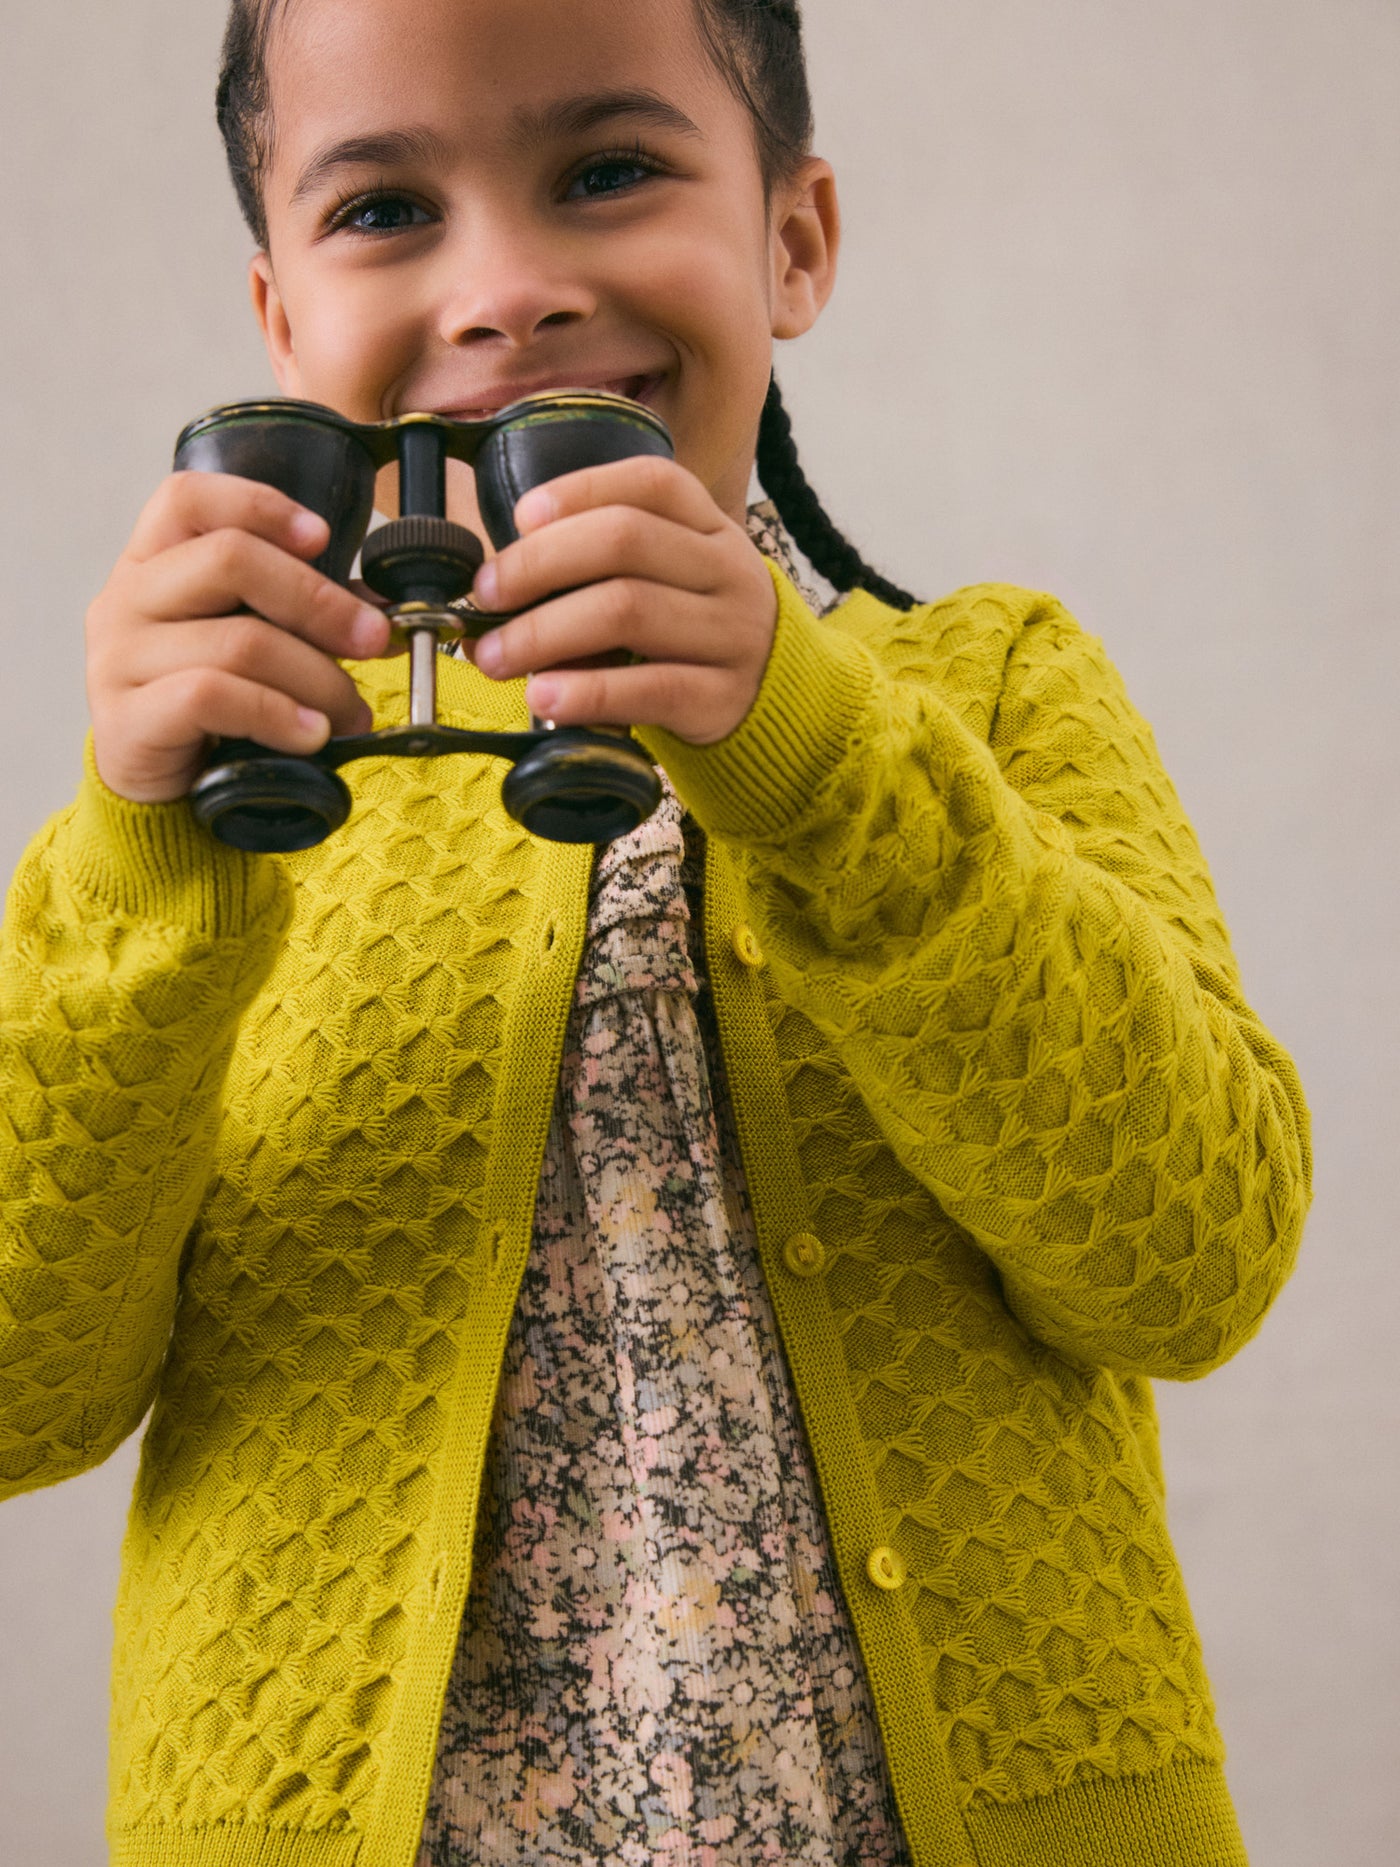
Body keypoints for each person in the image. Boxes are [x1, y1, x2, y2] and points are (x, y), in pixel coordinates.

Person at [0, 0, 1312, 1863]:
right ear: (281, 323)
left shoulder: (983, 694)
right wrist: (149, 864)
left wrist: (814, 752)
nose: (510, 289)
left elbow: (1194, 1254)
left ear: (794, 240)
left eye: (608, 172)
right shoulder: (238, 798)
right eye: (383, 209)